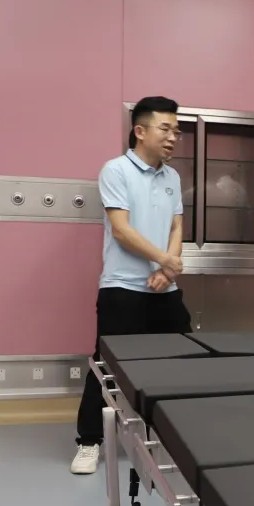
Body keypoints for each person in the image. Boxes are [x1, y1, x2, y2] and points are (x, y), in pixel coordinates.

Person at [71, 95, 191, 475]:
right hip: (122, 288)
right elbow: (122, 231)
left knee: (181, 361)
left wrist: (167, 271)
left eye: (176, 131)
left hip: (164, 289)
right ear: (140, 131)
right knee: (106, 366)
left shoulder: (172, 177)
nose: (173, 137)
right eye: (165, 129)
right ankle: (89, 441)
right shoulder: (116, 170)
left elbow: (176, 226)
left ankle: (170, 439)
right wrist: (165, 260)